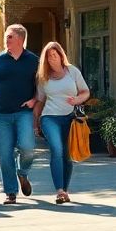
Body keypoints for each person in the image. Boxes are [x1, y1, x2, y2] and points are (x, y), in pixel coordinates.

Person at [0, 24, 40, 205]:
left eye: (10, 37)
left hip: (24, 112)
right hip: (2, 114)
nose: (6, 40)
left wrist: (34, 99)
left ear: (21, 39)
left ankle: (22, 173)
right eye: (6, 37)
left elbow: (42, 85)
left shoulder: (33, 60)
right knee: (5, 154)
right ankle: (10, 192)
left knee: (28, 148)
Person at [33, 41, 90, 204]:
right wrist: (35, 123)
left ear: (60, 55)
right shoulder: (43, 77)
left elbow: (85, 91)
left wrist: (78, 99)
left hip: (71, 118)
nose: (52, 58)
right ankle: (59, 190)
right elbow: (40, 100)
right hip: (50, 117)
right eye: (48, 56)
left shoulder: (72, 71)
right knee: (56, 149)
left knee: (67, 155)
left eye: (54, 55)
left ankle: (65, 190)